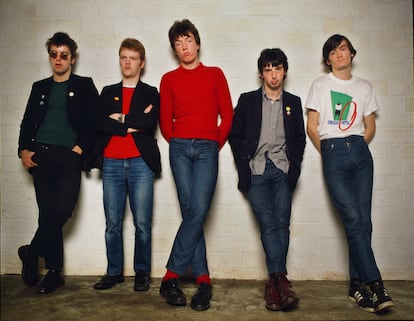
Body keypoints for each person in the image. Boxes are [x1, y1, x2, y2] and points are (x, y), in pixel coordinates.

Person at [305, 34, 394, 313]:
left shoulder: (364, 87)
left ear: (351, 54)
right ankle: (376, 285)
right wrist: (331, 151)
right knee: (353, 218)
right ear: (327, 59)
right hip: (332, 150)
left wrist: (354, 145)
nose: (339, 54)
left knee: (363, 222)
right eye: (333, 51)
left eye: (343, 48)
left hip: (360, 152)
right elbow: (312, 126)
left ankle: (356, 285)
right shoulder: (320, 84)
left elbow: (370, 126)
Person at [158, 19, 233, 311]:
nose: (183, 47)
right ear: (175, 50)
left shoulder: (215, 74)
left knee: (197, 210)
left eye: (187, 40)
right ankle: (203, 280)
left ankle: (170, 275)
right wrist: (177, 140)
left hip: (206, 149)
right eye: (177, 43)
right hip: (179, 148)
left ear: (197, 43)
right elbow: (165, 122)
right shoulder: (168, 79)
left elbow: (227, 115)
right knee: (193, 213)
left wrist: (213, 143)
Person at [17, 32, 99, 294]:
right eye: (54, 54)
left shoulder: (84, 85)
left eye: (64, 55)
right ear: (49, 57)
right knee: (48, 214)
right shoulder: (39, 87)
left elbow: (94, 122)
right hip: (41, 155)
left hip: (68, 156)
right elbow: (27, 121)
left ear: (72, 59)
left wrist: (79, 149)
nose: (58, 59)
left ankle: (30, 252)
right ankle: (54, 272)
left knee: (62, 210)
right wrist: (23, 150)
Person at [228, 48, 306, 311]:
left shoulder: (293, 102)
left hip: (282, 169)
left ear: (285, 70)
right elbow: (235, 135)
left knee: (282, 223)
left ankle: (275, 285)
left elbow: (299, 139)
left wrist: (294, 167)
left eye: (278, 68)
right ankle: (281, 281)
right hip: (257, 170)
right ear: (262, 73)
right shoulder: (248, 100)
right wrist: (244, 167)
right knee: (268, 223)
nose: (273, 75)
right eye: (268, 69)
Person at [91, 38, 161, 292]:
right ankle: (114, 273)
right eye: (123, 57)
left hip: (140, 162)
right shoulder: (108, 91)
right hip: (111, 163)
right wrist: (130, 123)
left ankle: (142, 272)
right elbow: (99, 122)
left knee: (142, 223)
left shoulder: (151, 92)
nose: (127, 62)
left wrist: (118, 118)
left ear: (142, 63)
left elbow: (148, 122)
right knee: (112, 223)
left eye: (132, 58)